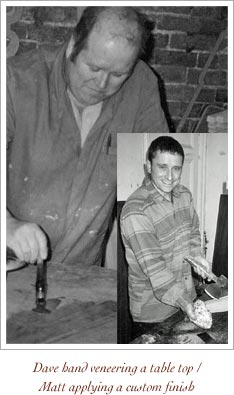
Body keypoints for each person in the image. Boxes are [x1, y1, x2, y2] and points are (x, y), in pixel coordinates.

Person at [7, 6, 169, 266]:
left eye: (117, 75)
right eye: (93, 68)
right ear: (73, 47)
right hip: (11, 266)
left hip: (80, 274)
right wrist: (6, 224)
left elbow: (158, 166)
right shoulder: (18, 80)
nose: (102, 84)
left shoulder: (141, 86)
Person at [120, 136, 212, 330]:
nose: (170, 176)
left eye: (176, 168)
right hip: (153, 312)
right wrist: (186, 304)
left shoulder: (184, 195)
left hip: (187, 296)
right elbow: (156, 270)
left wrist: (197, 256)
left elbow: (194, 231)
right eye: (162, 167)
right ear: (148, 166)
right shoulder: (136, 211)